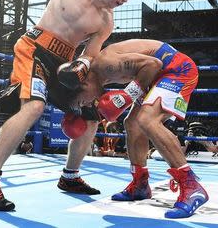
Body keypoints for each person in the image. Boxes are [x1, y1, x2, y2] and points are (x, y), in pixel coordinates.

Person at [0, 0, 141, 211]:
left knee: (91, 115)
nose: (125, 0)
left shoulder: (106, 21)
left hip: (63, 64)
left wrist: (83, 66)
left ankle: (70, 176)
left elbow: (91, 52)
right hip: (34, 50)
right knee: (34, 106)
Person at [69, 39, 208, 219]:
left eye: (82, 100)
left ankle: (191, 186)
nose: (88, 104)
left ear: (85, 84)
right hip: (157, 76)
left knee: (147, 119)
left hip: (176, 69)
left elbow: (153, 63)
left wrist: (128, 95)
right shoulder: (102, 72)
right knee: (132, 124)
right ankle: (140, 184)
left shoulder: (106, 65)